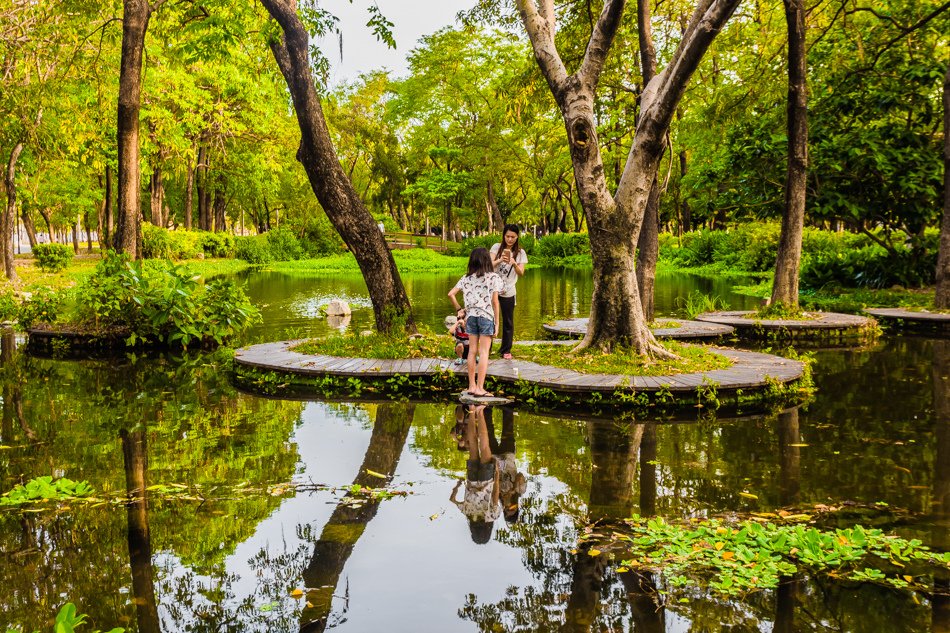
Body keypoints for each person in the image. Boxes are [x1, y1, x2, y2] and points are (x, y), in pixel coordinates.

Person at [448, 247, 502, 397]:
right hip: (486, 317)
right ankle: (480, 388)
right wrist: (497, 323)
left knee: (472, 351)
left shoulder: (466, 278)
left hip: (470, 318)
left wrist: (460, 309)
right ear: (487, 260)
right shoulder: (493, 277)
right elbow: (495, 302)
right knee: (483, 352)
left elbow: (451, 294)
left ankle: (471, 386)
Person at [449, 405, 501, 544]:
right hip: (471, 479)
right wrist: (458, 485)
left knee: (484, 445)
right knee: (472, 444)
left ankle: (480, 411)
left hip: (486, 479)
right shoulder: (467, 513)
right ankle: (472, 410)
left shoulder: (492, 516)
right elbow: (452, 500)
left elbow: (495, 495)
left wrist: (497, 474)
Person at [489, 224, 528, 359]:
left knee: (508, 321)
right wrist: (500, 259)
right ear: (503, 235)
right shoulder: (496, 247)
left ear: (517, 237)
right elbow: (488, 264)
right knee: (489, 318)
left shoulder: (520, 253)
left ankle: (506, 350)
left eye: (513, 237)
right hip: (492, 288)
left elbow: (521, 272)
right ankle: (487, 348)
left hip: (508, 290)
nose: (510, 239)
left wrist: (514, 263)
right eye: (507, 236)